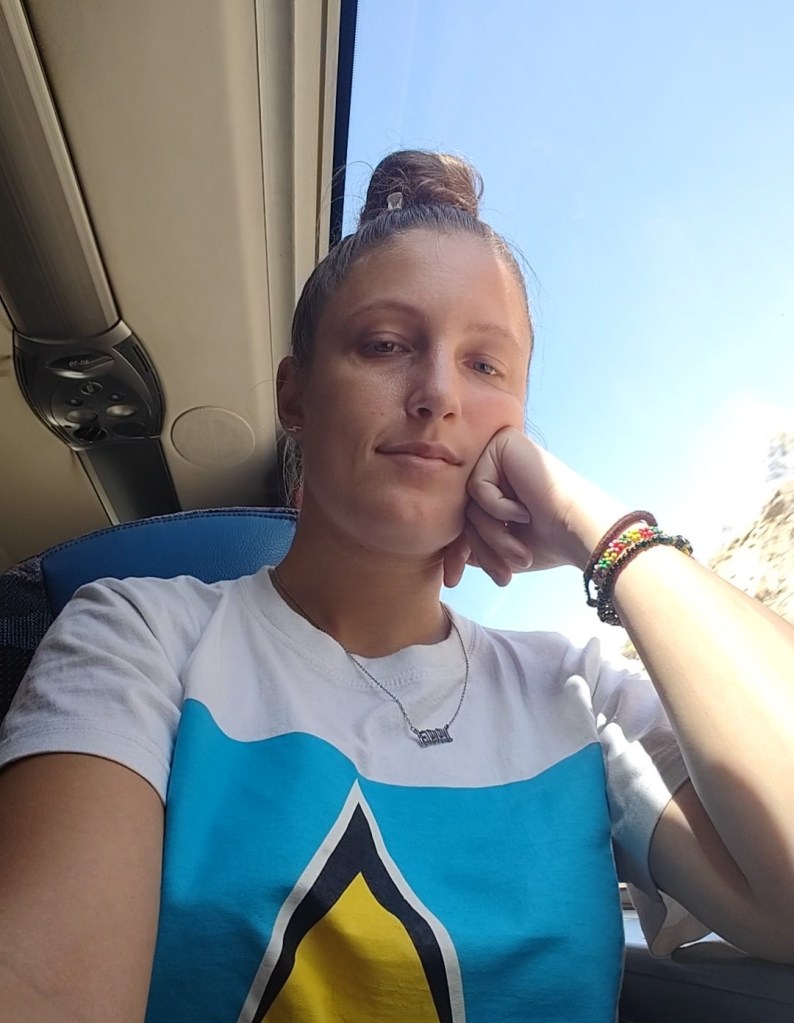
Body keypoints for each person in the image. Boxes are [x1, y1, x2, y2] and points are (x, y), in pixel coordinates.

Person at [0, 150, 793, 1023]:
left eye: (486, 366)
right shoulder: (135, 634)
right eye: (385, 345)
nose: (438, 393)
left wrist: (604, 535)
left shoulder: (581, 697)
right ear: (295, 396)